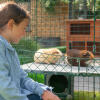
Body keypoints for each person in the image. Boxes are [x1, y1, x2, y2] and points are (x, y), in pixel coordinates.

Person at [0, 2, 61, 100]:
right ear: (11, 24)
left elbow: (22, 78)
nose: (24, 33)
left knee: (45, 94)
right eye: (23, 28)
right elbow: (5, 88)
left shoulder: (10, 49)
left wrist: (43, 92)